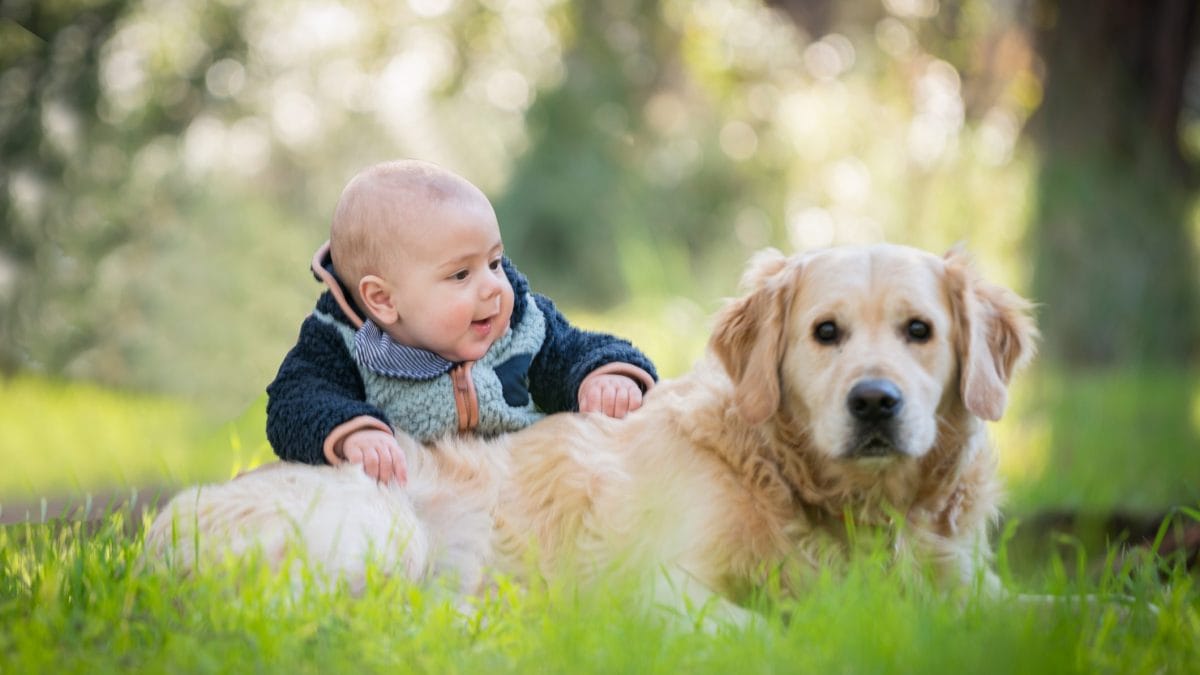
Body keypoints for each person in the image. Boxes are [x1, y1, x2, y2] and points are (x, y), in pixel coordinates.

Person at [265, 159, 658, 485]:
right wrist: (355, 432)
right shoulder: (341, 345)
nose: (492, 287)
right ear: (383, 300)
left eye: (493, 262)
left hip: (523, 491)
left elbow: (577, 350)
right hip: (426, 498)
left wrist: (602, 377)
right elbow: (293, 403)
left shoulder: (521, 325)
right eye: (460, 276)